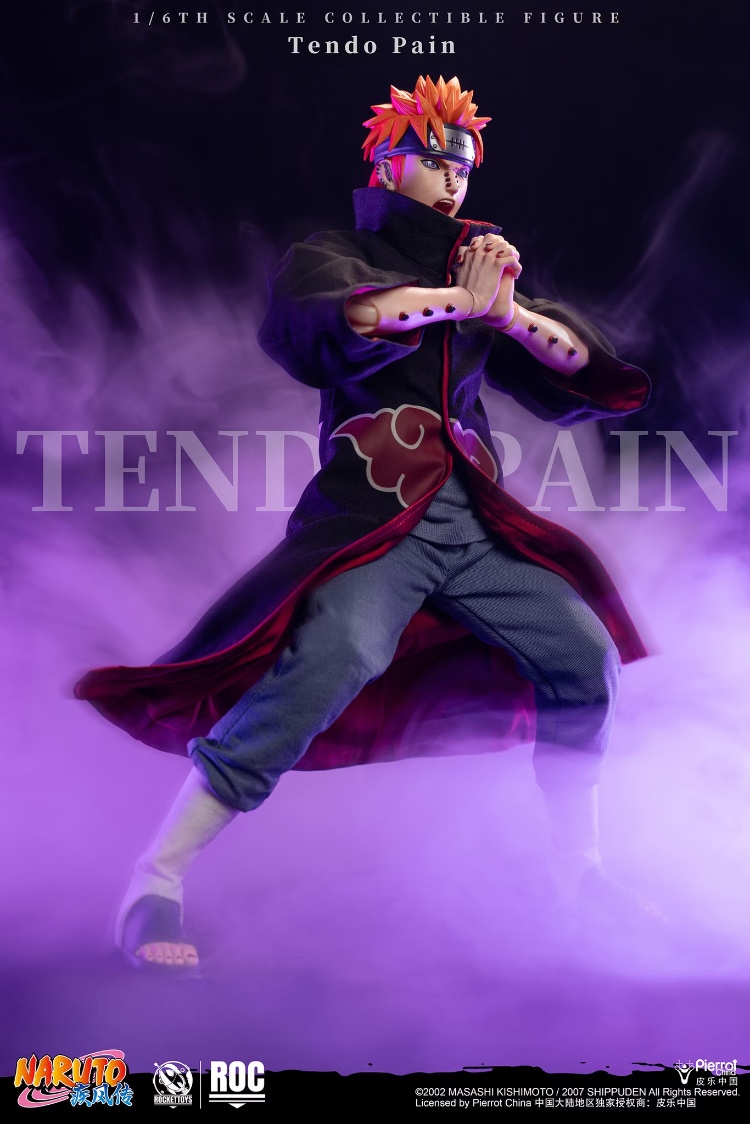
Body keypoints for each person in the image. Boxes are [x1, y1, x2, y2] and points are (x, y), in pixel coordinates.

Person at [76, 76, 653, 971]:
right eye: (434, 158)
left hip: (476, 522)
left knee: (582, 654)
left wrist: (506, 311)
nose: (453, 177)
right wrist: (458, 302)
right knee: (332, 658)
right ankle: (155, 880)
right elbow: (343, 320)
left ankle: (578, 876)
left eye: (464, 162)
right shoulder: (336, 254)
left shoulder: (479, 264)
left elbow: (577, 367)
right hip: (375, 519)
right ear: (386, 163)